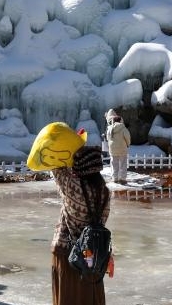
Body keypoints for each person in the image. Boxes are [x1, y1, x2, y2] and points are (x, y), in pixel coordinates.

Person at [50, 145, 111, 305]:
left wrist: (68, 147)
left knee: (69, 297)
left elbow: (56, 167)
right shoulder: (104, 192)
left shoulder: (73, 187)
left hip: (67, 252)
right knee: (89, 296)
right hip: (92, 254)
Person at [105, 109, 132, 185]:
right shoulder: (123, 128)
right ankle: (122, 179)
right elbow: (127, 137)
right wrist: (128, 144)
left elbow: (108, 139)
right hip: (122, 148)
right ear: (120, 121)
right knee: (123, 164)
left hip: (113, 149)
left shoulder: (109, 129)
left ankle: (115, 178)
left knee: (114, 164)